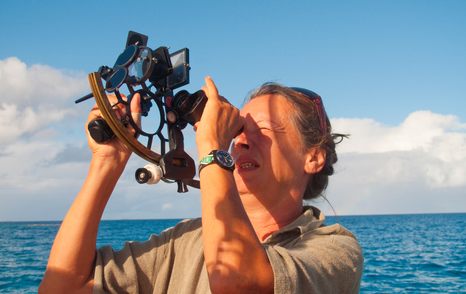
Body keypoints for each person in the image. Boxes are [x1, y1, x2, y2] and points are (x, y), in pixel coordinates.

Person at [40, 77, 363, 293]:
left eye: (263, 131)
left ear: (313, 158)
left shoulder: (334, 248)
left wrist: (211, 146)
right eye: (237, 130)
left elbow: (238, 283)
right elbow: (62, 286)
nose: (240, 142)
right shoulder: (187, 238)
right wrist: (106, 163)